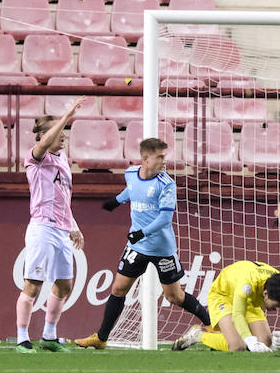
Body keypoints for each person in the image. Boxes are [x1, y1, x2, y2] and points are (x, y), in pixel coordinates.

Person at [74, 137, 210, 349]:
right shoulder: (131, 173)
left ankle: (211, 324)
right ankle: (101, 338)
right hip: (137, 248)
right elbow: (131, 190)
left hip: (162, 249)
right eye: (160, 157)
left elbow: (165, 219)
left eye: (165, 156)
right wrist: (117, 201)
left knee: (174, 296)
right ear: (146, 159)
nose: (165, 161)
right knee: (118, 289)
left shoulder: (166, 184)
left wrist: (141, 233)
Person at [14, 98, 90, 353]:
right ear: (45, 135)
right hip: (42, 228)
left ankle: (49, 336)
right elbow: (44, 144)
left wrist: (74, 225)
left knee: (64, 284)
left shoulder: (62, 161)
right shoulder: (35, 157)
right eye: (60, 131)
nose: (64, 137)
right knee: (33, 284)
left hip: (61, 229)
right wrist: (68, 113)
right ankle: (22, 338)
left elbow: (63, 197)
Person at [172, 260, 280, 352]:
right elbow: (238, 314)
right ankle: (198, 335)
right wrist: (249, 339)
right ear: (265, 293)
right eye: (277, 305)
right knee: (238, 346)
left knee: (266, 343)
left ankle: (230, 339)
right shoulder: (248, 283)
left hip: (248, 300)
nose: (277, 309)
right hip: (223, 295)